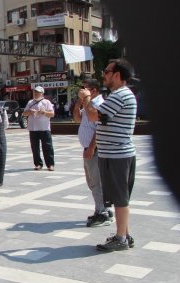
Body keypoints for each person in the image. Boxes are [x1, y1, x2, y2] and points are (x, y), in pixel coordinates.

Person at [80, 58, 138, 252]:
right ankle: (124, 234)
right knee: (119, 197)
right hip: (115, 154)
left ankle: (121, 238)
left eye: (107, 71)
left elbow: (93, 115)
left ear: (117, 75)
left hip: (117, 155)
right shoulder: (120, 95)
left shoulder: (119, 95)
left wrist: (86, 98)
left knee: (121, 199)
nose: (103, 75)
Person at [73, 79, 113, 228]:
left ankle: (102, 212)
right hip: (88, 149)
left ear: (94, 90)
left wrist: (91, 147)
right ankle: (103, 209)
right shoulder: (88, 104)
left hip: (95, 150)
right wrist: (79, 103)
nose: (82, 91)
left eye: (85, 89)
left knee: (97, 182)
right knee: (92, 182)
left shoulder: (98, 105)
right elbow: (77, 119)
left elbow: (99, 129)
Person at [23, 86, 55, 171]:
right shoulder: (30, 102)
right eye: (34, 92)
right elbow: (24, 113)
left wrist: (44, 112)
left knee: (47, 147)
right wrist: (30, 112)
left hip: (44, 128)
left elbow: (52, 114)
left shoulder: (46, 102)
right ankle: (38, 164)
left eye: (37, 92)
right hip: (33, 129)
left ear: (42, 93)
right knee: (35, 148)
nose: (36, 94)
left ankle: (50, 164)